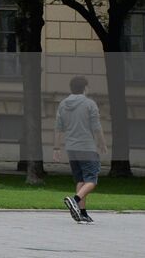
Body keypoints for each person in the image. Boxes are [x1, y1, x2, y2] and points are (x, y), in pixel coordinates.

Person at [54, 75, 107, 224]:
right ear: (85, 88)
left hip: (71, 148)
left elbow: (58, 128)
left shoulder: (63, 104)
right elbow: (96, 127)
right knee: (92, 180)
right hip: (87, 147)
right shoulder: (89, 104)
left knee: (81, 180)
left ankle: (82, 213)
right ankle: (74, 199)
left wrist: (56, 147)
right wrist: (102, 143)